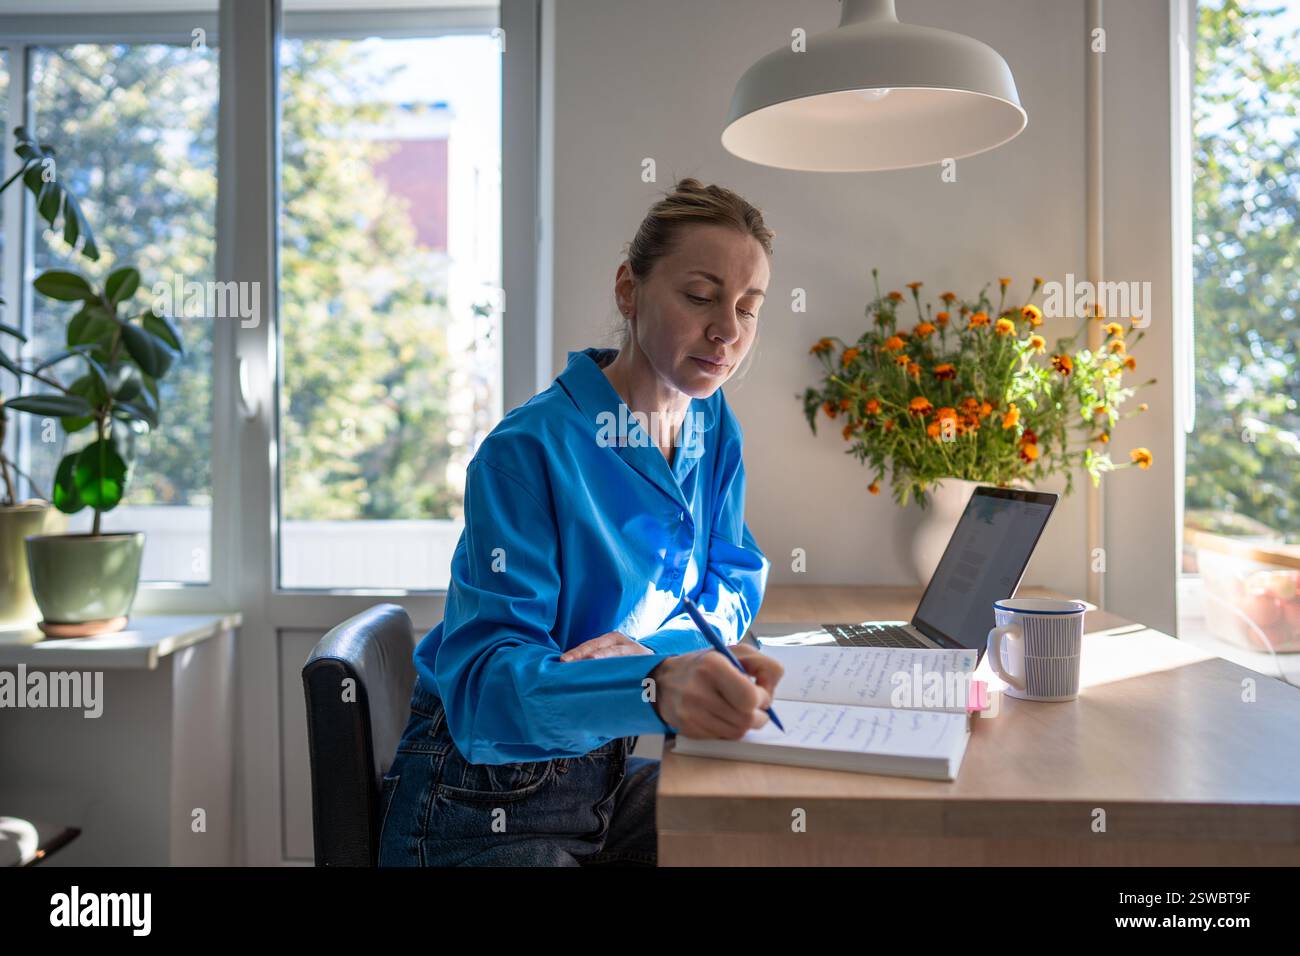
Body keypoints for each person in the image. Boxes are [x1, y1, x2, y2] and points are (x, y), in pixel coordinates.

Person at [378, 177, 784, 867]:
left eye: (749, 307)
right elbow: (485, 694)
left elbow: (735, 581)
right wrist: (656, 683)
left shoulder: (712, 427)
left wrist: (653, 653)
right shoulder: (525, 452)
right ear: (629, 289)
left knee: (766, 831)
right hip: (479, 803)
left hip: (602, 773)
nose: (728, 330)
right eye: (700, 295)